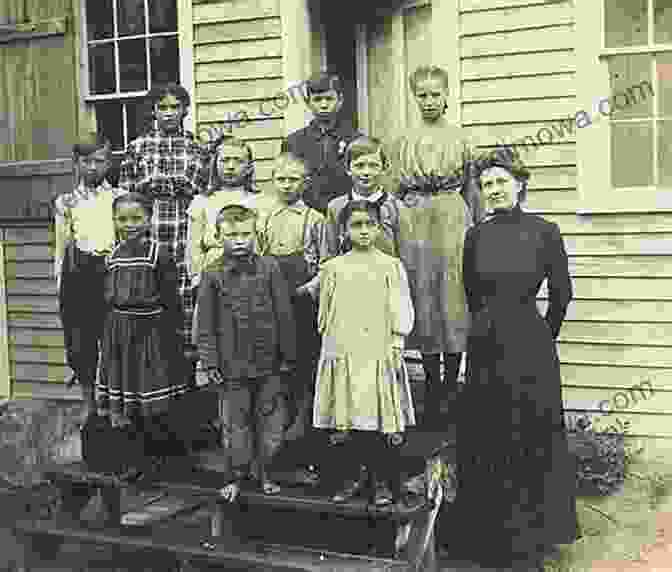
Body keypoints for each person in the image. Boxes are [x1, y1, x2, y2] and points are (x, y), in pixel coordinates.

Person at [444, 146, 579, 570]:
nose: (494, 190)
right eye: (486, 185)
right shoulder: (475, 236)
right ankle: (489, 537)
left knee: (531, 436)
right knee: (488, 436)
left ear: (520, 185)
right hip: (485, 345)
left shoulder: (545, 231)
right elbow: (471, 294)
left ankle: (533, 539)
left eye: (501, 182)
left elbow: (562, 295)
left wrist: (541, 336)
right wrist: (483, 334)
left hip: (530, 346)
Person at [389, 65, 484, 427]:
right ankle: (431, 385)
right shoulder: (403, 140)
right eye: (422, 94)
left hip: (452, 217)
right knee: (424, 297)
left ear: (447, 95)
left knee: (453, 298)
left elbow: (472, 190)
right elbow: (394, 189)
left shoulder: (460, 139)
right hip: (416, 219)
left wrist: (477, 231)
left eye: (435, 94)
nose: (429, 101)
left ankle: (450, 384)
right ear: (415, 97)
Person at [313, 200, 415, 506]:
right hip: (343, 350)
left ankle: (381, 481)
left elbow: (401, 307)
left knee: (377, 419)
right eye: (356, 225)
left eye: (370, 224)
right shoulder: (333, 268)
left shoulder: (390, 266)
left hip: (377, 352)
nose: (364, 231)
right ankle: (351, 478)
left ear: (379, 227)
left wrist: (397, 342)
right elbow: (325, 313)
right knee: (348, 419)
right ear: (344, 231)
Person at [196, 200, 297, 495]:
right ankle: (236, 476)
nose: (239, 241)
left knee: (270, 421)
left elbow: (284, 315)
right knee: (234, 424)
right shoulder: (212, 273)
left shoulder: (270, 268)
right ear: (218, 236)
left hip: (269, 363)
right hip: (231, 366)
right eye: (231, 235)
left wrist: (288, 356)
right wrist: (210, 362)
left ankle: (268, 472)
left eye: (245, 234)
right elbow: (205, 323)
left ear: (256, 233)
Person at [118, 82, 210, 383]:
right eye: (163, 107)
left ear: (185, 109)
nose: (169, 113)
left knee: (184, 301)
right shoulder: (137, 147)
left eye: (175, 107)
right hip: (150, 233)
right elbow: (127, 197)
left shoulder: (198, 146)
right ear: (154, 111)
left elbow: (204, 194)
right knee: (151, 296)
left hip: (185, 232)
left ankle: (186, 387)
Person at [96, 192, 187, 463]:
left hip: (152, 331)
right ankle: (133, 456)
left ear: (149, 220)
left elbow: (171, 298)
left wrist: (173, 336)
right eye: (122, 219)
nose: (130, 224)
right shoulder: (110, 255)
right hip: (119, 332)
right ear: (114, 221)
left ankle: (162, 454)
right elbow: (105, 298)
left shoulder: (158, 253)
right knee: (127, 396)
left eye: (136, 218)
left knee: (152, 392)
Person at [257, 152, 327, 484]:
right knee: (277, 370)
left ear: (306, 183)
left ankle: (305, 440)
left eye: (294, 179)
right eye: (281, 179)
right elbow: (258, 257)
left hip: (302, 303)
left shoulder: (315, 219)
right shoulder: (265, 218)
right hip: (272, 302)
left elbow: (326, 264)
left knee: (304, 368)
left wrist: (307, 290)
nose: (287, 185)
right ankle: (274, 444)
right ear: (273, 181)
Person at [54, 136, 127, 419]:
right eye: (86, 161)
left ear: (108, 163)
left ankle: (117, 409)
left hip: (111, 273)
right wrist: (60, 283)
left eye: (99, 161)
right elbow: (61, 248)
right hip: (78, 276)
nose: (92, 167)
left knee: (114, 340)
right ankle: (90, 407)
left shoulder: (120, 197)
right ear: (76, 164)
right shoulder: (66, 202)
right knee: (81, 344)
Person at [281, 72, 361, 214]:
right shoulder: (293, 143)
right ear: (308, 102)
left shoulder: (355, 140)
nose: (324, 105)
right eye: (317, 99)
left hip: (346, 214)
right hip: (305, 215)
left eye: (329, 99)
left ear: (340, 100)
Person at [323, 135, 402, 260]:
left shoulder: (397, 207)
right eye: (359, 166)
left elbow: (406, 258)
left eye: (373, 165)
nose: (366, 172)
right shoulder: (336, 207)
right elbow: (329, 255)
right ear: (348, 169)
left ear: (384, 168)